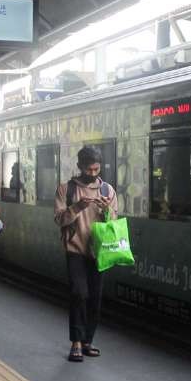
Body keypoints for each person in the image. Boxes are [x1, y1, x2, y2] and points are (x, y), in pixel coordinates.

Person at [54, 146, 116, 363]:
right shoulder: (66, 190)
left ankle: (88, 340)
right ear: (80, 167)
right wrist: (78, 207)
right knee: (79, 293)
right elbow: (59, 219)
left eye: (96, 169)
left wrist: (107, 210)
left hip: (99, 252)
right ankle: (76, 342)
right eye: (88, 169)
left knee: (95, 298)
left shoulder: (108, 191)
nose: (92, 174)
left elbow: (113, 224)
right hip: (75, 250)